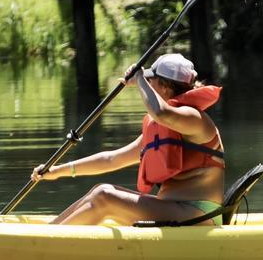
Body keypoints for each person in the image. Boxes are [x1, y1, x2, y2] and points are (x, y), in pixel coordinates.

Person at [31, 53, 226, 225]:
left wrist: (139, 77)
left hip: (198, 215)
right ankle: (50, 232)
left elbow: (160, 111)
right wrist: (57, 171)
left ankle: (45, 244)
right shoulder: (166, 126)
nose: (148, 85)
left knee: (105, 197)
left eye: (151, 81)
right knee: (102, 189)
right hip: (173, 209)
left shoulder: (194, 119)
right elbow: (112, 159)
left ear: (165, 88)